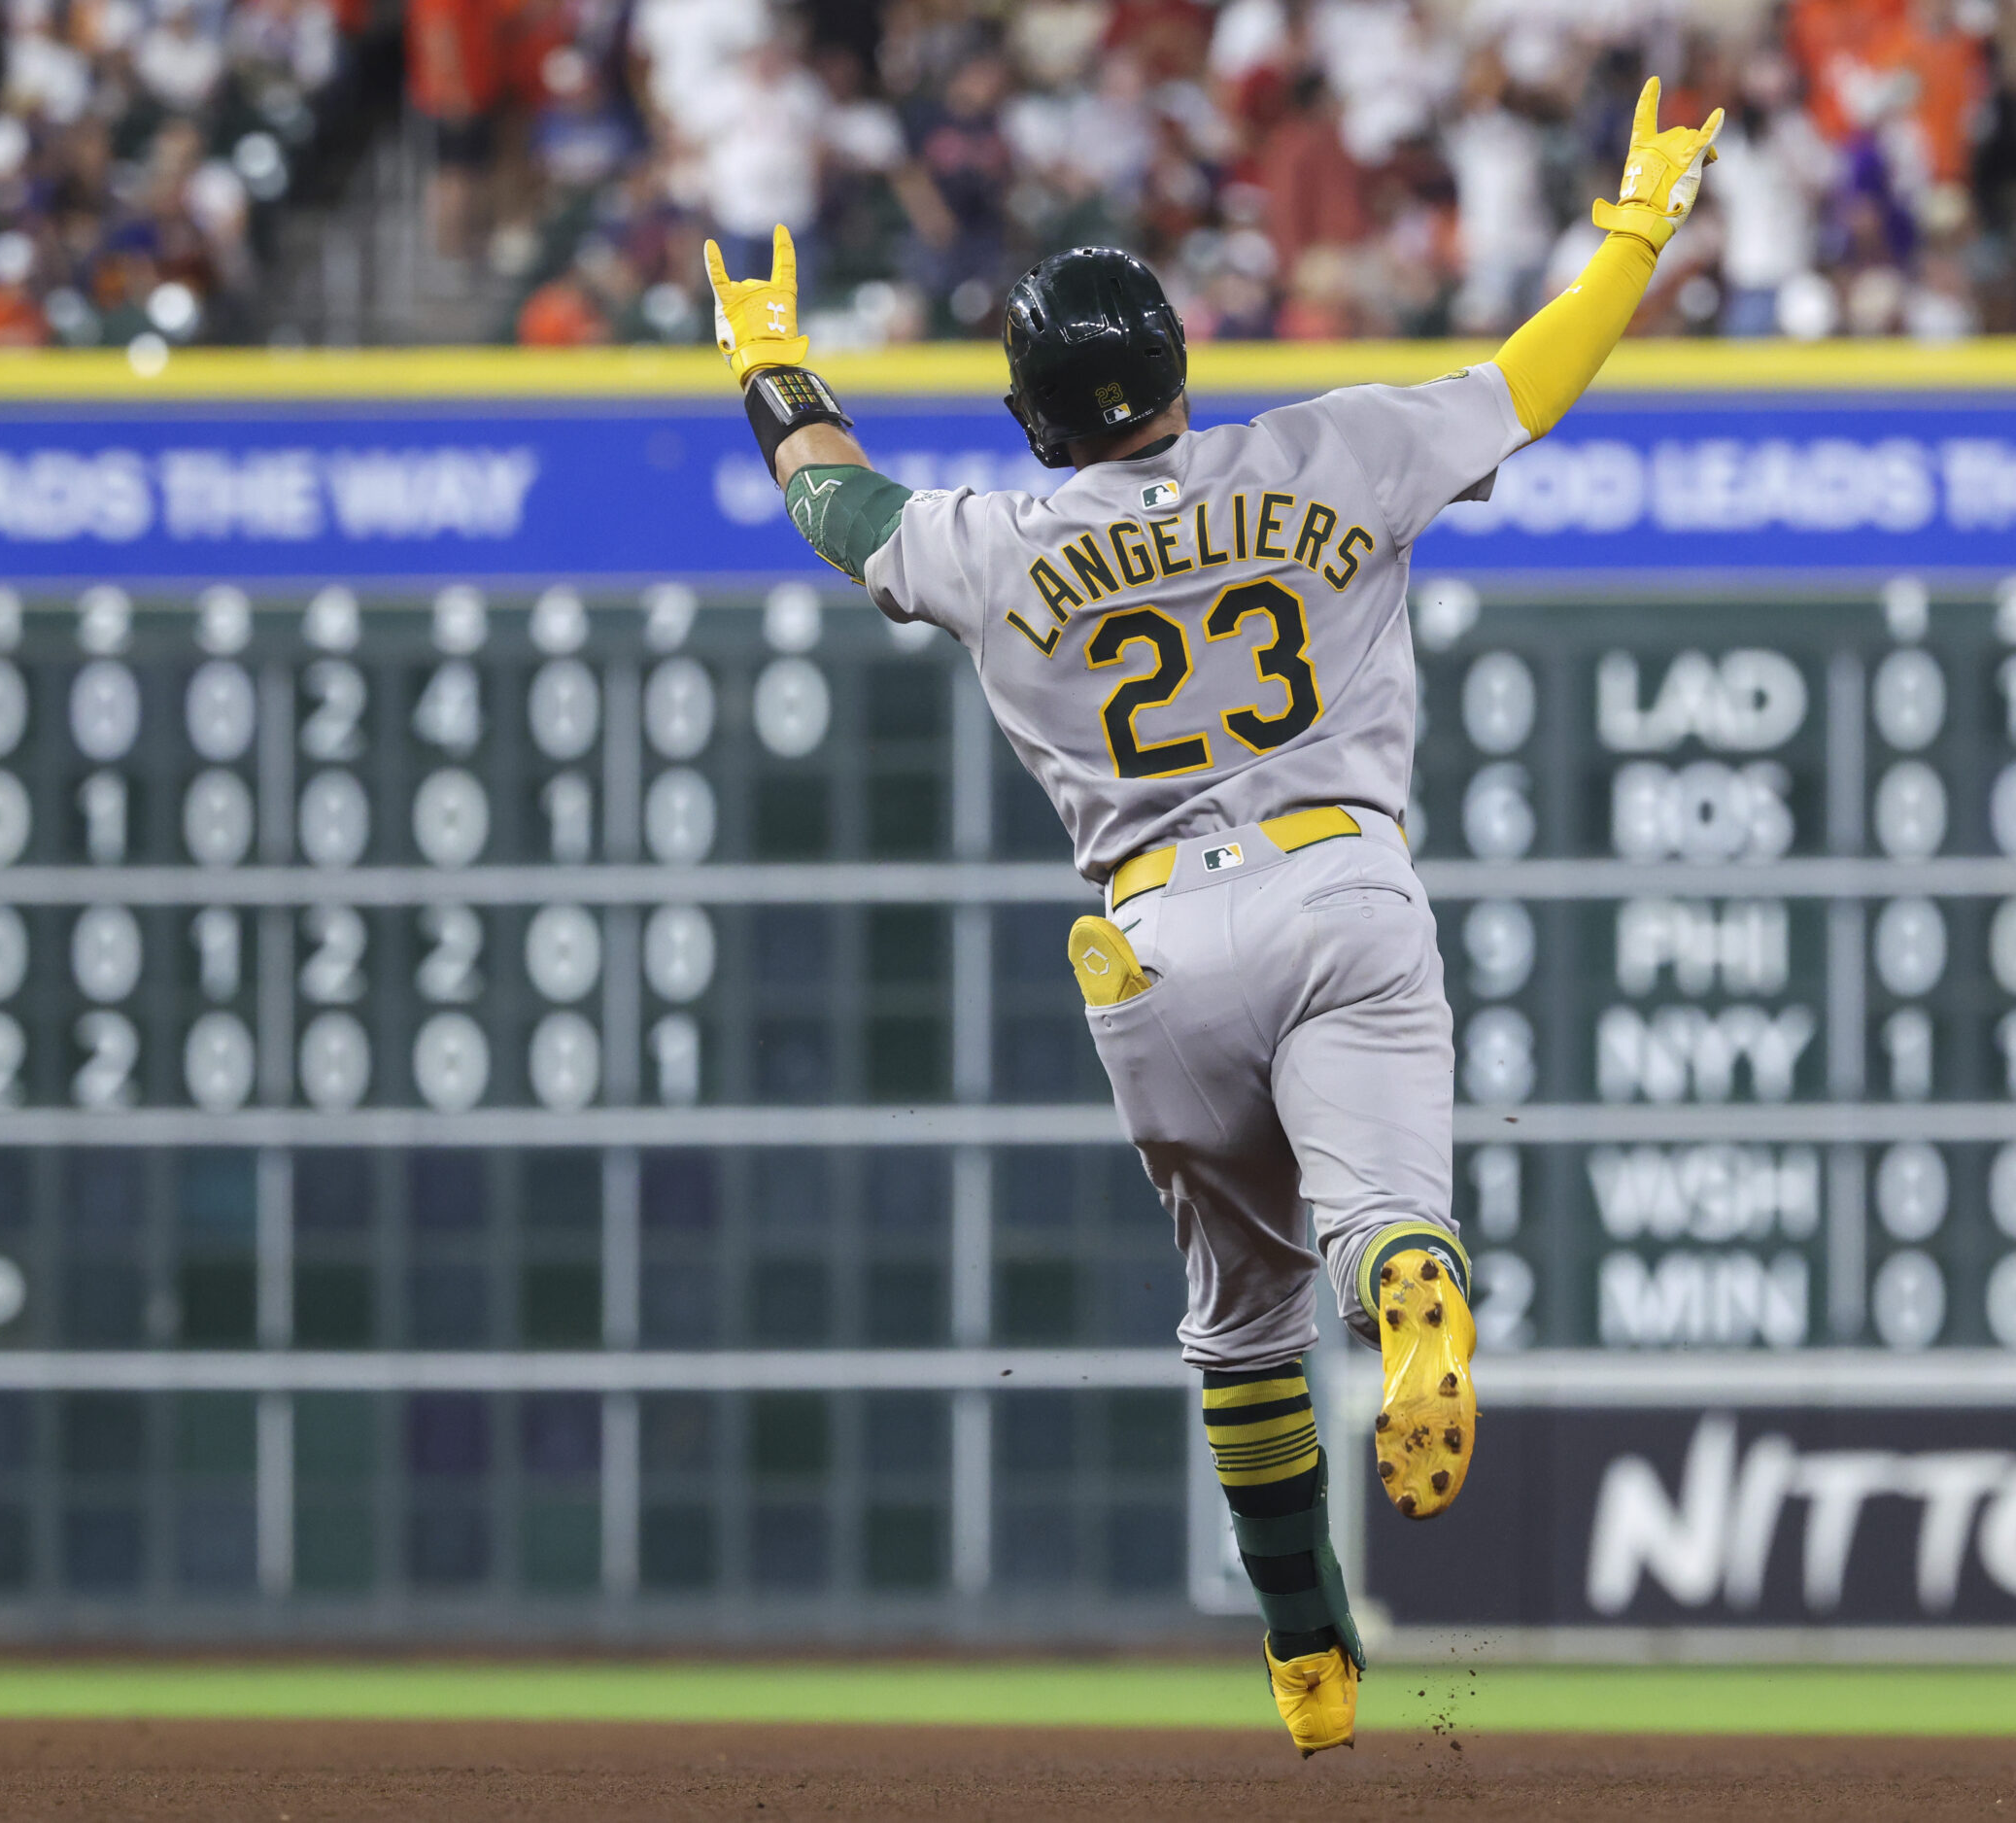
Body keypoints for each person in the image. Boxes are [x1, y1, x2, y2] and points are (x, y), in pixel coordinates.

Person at [705, 78, 1719, 1755]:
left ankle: (1309, 1664)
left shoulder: (998, 542)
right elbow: (1532, 385)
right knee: (1383, 1216)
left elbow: (835, 506)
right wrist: (1632, 229)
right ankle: (1402, 1282)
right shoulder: (1338, 447)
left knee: (1237, 1324)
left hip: (1154, 940)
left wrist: (768, 364)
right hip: (1342, 882)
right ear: (1179, 367)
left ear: (1034, 419)